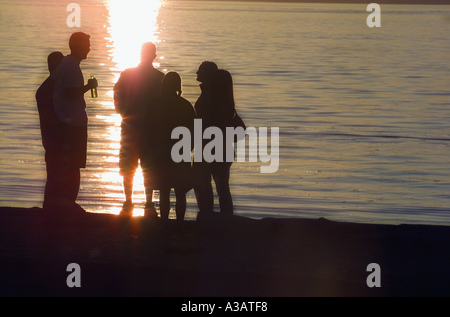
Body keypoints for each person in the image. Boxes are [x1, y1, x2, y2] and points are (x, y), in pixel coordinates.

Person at [114, 42, 164, 217]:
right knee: (147, 166)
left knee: (129, 166)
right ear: (153, 56)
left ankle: (129, 202)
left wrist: (123, 113)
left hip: (131, 127)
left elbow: (117, 95)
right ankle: (148, 203)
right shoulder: (160, 78)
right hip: (149, 130)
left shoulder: (128, 74)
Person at [50, 32, 98, 214]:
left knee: (69, 164)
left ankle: (66, 202)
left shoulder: (68, 64)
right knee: (74, 165)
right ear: (77, 45)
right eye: (86, 44)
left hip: (66, 121)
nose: (89, 48)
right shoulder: (71, 66)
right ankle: (69, 203)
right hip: (71, 124)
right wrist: (89, 86)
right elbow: (70, 93)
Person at [141, 71, 195, 223]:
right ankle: (179, 223)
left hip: (160, 153)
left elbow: (147, 127)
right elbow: (195, 129)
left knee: (164, 191)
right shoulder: (185, 105)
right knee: (180, 192)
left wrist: (152, 147)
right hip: (180, 153)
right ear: (178, 86)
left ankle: (164, 221)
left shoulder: (155, 104)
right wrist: (188, 148)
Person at [194, 69, 235, 214]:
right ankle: (220, 217)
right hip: (217, 146)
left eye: (201, 69)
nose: (197, 72)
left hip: (209, 145)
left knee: (206, 183)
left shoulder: (213, 99)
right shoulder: (223, 99)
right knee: (220, 185)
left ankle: (208, 214)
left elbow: (205, 122)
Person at [36, 51, 65, 211]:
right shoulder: (49, 89)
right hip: (54, 138)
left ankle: (52, 206)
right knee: (56, 174)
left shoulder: (49, 87)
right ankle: (52, 207)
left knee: (55, 174)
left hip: (51, 138)